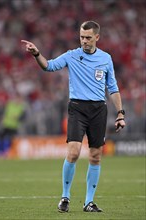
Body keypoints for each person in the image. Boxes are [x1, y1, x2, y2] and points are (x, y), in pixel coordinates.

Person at [21, 21, 126, 213]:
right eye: (81, 37)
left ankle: (89, 202)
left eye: (88, 37)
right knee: (74, 152)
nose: (84, 41)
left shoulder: (106, 59)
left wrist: (120, 113)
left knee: (95, 156)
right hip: (77, 108)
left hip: (99, 110)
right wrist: (37, 54)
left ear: (97, 37)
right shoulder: (72, 55)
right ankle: (65, 197)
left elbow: (113, 88)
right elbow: (49, 66)